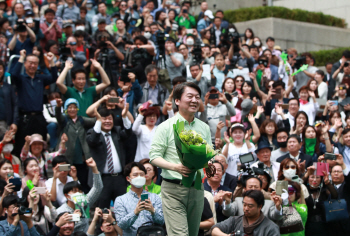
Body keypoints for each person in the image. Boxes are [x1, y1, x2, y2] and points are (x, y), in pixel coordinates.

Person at [149, 82, 211, 236]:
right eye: (189, 96)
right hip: (173, 189)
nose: (195, 100)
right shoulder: (165, 127)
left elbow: (207, 155)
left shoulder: (204, 127)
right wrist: (175, 167)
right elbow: (154, 157)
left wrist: (210, 164)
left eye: (197, 97)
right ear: (177, 101)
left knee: (192, 233)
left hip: (197, 189)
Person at [10, 49, 57, 157]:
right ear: (25, 64)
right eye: (30, 62)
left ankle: (41, 169)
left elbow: (54, 77)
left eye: (35, 63)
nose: (32, 65)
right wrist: (21, 58)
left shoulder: (40, 78)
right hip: (24, 118)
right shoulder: (21, 78)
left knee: (41, 145)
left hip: (39, 118)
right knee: (21, 146)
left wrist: (51, 62)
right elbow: (13, 75)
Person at [86, 107, 132, 210]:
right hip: (102, 179)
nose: (107, 121)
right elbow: (93, 140)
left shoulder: (117, 131)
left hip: (119, 178)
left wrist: (124, 116)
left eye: (110, 118)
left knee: (124, 208)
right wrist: (97, 121)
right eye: (104, 118)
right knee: (102, 210)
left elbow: (128, 133)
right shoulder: (92, 133)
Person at [55, 98, 95, 192]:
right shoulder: (64, 120)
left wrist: (97, 112)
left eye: (74, 107)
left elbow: (94, 121)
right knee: (68, 180)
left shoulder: (81, 120)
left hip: (81, 158)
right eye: (69, 107)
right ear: (66, 109)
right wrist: (58, 106)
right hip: (67, 156)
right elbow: (58, 116)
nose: (72, 109)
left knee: (83, 180)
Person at [114, 162, 164, 236]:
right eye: (135, 175)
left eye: (142, 174)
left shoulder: (154, 197)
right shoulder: (120, 200)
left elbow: (162, 221)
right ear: (128, 178)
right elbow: (121, 225)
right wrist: (135, 213)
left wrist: (152, 211)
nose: (139, 177)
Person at [56, 158, 103, 233]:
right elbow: (62, 232)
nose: (78, 193)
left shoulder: (85, 202)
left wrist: (94, 168)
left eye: (80, 191)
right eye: (74, 191)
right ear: (67, 195)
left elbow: (98, 188)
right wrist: (75, 219)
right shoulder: (60, 211)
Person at [211, 190, 280, 235]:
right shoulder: (234, 220)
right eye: (244, 205)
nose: (246, 208)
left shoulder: (271, 227)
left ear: (260, 207)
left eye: (250, 206)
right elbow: (214, 229)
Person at [0, 60, 18, 138]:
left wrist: (14, 122)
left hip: (6, 124)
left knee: (7, 149)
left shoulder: (9, 87)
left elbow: (15, 105)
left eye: (0, 68)